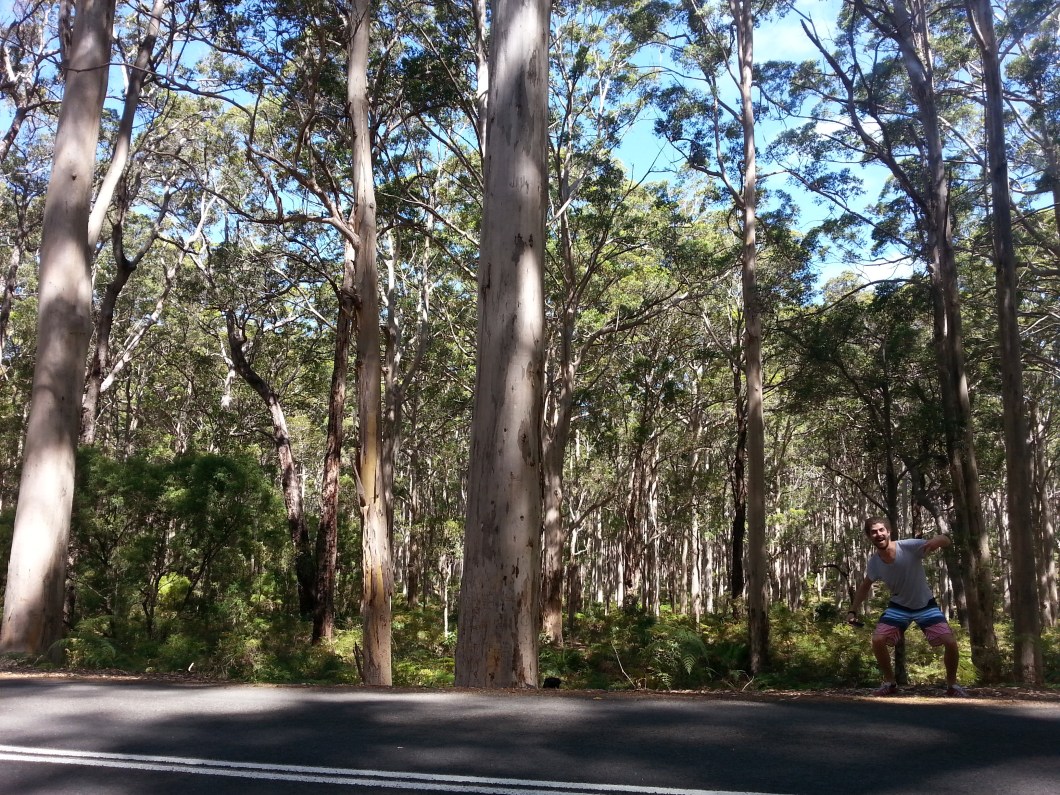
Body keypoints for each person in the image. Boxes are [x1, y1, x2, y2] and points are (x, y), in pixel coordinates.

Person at [847, 516, 967, 697]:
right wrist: (852, 610)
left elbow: (946, 540)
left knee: (950, 642)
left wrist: (936, 540)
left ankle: (952, 685)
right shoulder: (875, 562)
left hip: (925, 604)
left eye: (881, 530)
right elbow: (865, 587)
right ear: (868, 536)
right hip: (899, 606)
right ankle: (890, 683)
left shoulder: (908, 546)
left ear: (888, 532)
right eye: (873, 532)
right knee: (878, 639)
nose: (878, 534)